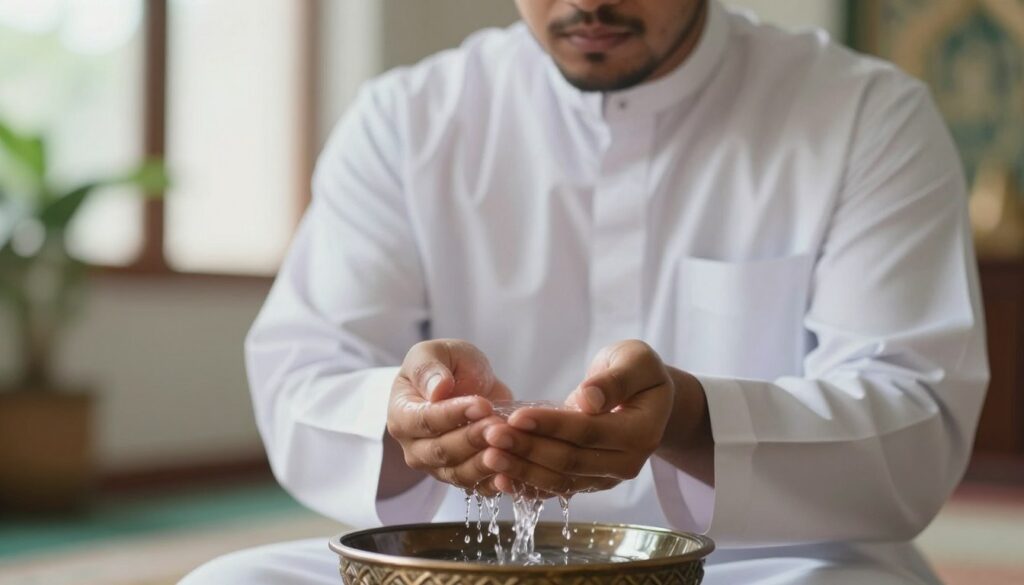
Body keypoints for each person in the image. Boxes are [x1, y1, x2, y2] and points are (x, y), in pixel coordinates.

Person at [181, 0, 989, 583]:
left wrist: (692, 417)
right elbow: (303, 374)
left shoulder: (865, 117)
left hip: (766, 561)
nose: (587, 1)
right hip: (462, 563)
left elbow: (917, 419)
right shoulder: (404, 120)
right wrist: (403, 420)